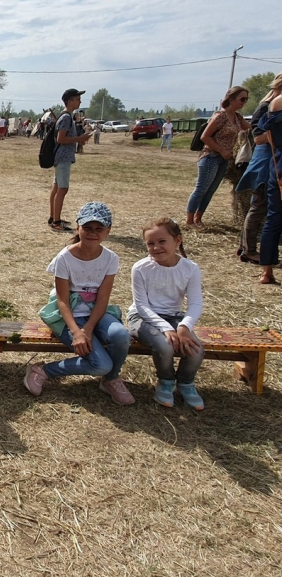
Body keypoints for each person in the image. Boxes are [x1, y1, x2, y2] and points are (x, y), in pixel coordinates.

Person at [24, 202, 134, 404]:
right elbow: (62, 301)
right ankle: (44, 370)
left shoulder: (111, 258)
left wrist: (89, 329)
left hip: (95, 313)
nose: (93, 233)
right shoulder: (64, 258)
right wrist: (76, 332)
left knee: (121, 335)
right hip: (69, 316)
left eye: (99, 229)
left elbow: (103, 299)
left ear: (108, 232)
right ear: (78, 228)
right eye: (87, 228)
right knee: (100, 364)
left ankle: (110, 379)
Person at [127, 218, 205, 410]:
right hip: (142, 317)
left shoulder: (190, 268)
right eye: (150, 243)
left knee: (196, 350)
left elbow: (195, 303)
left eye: (162, 241)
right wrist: (166, 329)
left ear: (177, 240)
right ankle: (166, 382)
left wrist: (184, 326)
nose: (156, 247)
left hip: (174, 317)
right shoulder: (140, 268)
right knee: (165, 345)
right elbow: (142, 305)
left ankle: (186, 384)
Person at [185, 86, 250, 229]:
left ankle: (198, 219)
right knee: (201, 189)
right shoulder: (220, 116)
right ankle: (189, 221)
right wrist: (221, 150)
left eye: (246, 99)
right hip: (210, 157)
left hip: (224, 159)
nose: (244, 102)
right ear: (231, 99)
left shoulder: (238, 118)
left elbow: (252, 128)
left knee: (211, 190)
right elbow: (205, 137)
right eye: (242, 99)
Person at [236, 73, 282, 265]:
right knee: (259, 207)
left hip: (272, 160)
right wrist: (274, 134)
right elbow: (257, 137)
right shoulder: (267, 106)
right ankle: (249, 250)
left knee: (261, 208)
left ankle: (245, 247)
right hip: (265, 161)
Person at [49, 89, 92, 232]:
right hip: (63, 158)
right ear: (70, 101)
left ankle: (53, 217)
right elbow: (61, 139)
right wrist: (80, 138)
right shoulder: (66, 117)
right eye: (77, 99)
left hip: (61, 157)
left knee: (56, 188)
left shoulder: (66, 116)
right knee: (62, 188)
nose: (80, 101)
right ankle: (56, 222)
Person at [256, 86, 282, 284]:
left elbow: (268, 136)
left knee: (273, 217)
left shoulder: (275, 102)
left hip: (278, 164)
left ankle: (267, 271)